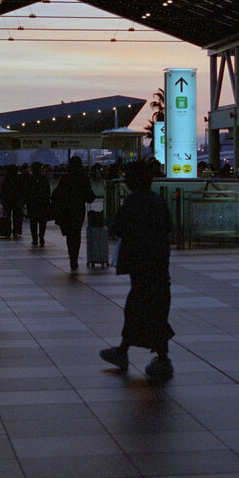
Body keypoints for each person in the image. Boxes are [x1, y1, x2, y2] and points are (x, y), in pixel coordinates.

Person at [100, 161, 174, 382]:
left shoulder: (133, 201)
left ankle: (153, 356)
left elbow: (119, 228)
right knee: (153, 308)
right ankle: (143, 354)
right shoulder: (156, 200)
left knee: (139, 307)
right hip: (157, 264)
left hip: (141, 264)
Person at [51, 156, 95, 270]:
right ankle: (74, 257)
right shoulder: (83, 178)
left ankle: (72, 255)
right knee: (76, 233)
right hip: (78, 209)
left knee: (70, 234)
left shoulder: (65, 178)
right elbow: (88, 194)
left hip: (66, 209)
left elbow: (56, 193)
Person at [25, 161, 51, 246]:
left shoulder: (29, 179)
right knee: (42, 221)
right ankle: (41, 235)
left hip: (32, 203)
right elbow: (47, 190)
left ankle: (34, 238)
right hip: (43, 202)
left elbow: (26, 191)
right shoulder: (44, 179)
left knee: (33, 222)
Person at [0, 163, 24, 238]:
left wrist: (1, 198)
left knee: (7, 215)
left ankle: (7, 230)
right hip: (16, 199)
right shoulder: (18, 178)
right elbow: (21, 189)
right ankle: (16, 230)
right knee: (16, 216)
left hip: (8, 199)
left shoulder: (7, 179)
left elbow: (3, 189)